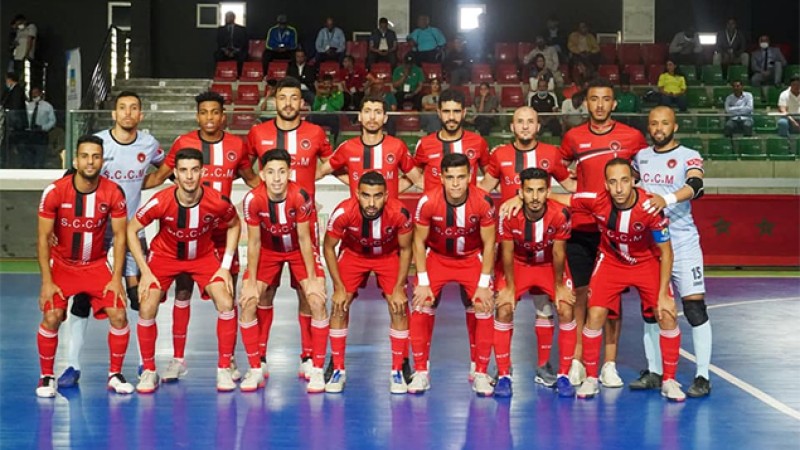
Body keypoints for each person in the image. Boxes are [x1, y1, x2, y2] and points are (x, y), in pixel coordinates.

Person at [503, 78, 648, 388]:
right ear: (586, 103)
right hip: (580, 228)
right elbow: (553, 174)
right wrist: (522, 196)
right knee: (579, 295)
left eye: (605, 99)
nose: (599, 105)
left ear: (614, 103)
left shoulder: (633, 137)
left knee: (611, 300)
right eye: (594, 99)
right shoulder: (572, 138)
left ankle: (609, 364)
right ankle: (578, 361)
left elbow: (645, 176)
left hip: (614, 230)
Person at [142, 91, 260, 383]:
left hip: (222, 234)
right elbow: (159, 177)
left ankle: (227, 360)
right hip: (188, 233)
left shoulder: (236, 145)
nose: (209, 117)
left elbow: (252, 179)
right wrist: (125, 181)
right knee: (182, 292)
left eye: (215, 112)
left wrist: (283, 195)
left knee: (227, 296)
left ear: (223, 116)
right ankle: (178, 359)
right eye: (204, 112)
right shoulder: (183, 143)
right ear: (197, 116)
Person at [550, 158, 684, 402]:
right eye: (613, 182)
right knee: (595, 315)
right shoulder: (596, 200)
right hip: (611, 262)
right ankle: (591, 378)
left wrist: (664, 293)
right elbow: (560, 198)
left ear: (633, 181)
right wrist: (520, 198)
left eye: (624, 181)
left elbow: (666, 252)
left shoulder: (650, 207)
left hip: (645, 262)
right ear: (606, 185)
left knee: (667, 313)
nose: (619, 188)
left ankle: (669, 381)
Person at [58, 91, 164, 388]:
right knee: (82, 297)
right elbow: (71, 179)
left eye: (134, 108)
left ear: (140, 114)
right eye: (122, 108)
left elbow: (165, 169)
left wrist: (145, 183)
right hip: (95, 231)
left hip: (131, 231)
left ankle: (145, 364)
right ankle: (72, 366)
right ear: (114, 114)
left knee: (140, 297)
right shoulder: (99, 144)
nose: (128, 113)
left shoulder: (149, 144)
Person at [128, 148, 241, 393]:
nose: (189, 176)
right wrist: (145, 270)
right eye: (183, 171)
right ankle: (149, 371)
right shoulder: (161, 200)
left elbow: (234, 224)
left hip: (203, 256)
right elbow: (131, 229)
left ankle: (224, 368)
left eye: (194, 170)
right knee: (147, 306)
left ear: (202, 172)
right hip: (164, 257)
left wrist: (225, 266)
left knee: (226, 302)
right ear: (176, 174)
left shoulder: (217, 201)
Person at [478, 107, 575, 388]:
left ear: (538, 125)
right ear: (512, 126)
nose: (524, 126)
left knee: (548, 307)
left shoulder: (551, 154)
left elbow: (571, 188)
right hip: (513, 243)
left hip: (546, 248)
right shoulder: (500, 155)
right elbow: (483, 190)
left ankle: (546, 367)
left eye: (530, 121)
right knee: (504, 305)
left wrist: (530, 199)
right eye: (519, 121)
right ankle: (502, 369)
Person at [246, 77, 334, 380]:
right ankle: (259, 358)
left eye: (293, 98)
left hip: (303, 228)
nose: (288, 103)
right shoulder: (258, 132)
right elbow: (245, 166)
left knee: (308, 292)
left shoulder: (316, 132)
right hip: (268, 229)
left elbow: (330, 162)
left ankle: (308, 356)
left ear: (302, 102)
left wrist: (309, 181)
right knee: (264, 293)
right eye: (282, 97)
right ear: (275, 101)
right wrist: (258, 191)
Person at [35, 135, 133, 398]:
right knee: (52, 316)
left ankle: (115, 374)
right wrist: (47, 281)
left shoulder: (113, 192)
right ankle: (46, 376)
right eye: (85, 156)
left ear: (102, 161)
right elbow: (43, 238)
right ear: (76, 160)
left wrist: (116, 278)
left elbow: (121, 237)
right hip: (62, 266)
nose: (90, 162)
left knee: (119, 314)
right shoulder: (55, 191)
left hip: (96, 265)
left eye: (96, 156)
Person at [632, 106, 712, 398]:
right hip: (651, 244)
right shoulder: (640, 157)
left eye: (665, 123)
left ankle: (702, 376)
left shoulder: (689, 155)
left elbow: (696, 186)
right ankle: (655, 371)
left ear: (674, 126)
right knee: (652, 308)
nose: (659, 128)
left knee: (694, 307)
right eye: (654, 123)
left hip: (683, 242)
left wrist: (665, 199)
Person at [239, 149, 328, 392]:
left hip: (299, 250)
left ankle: (314, 365)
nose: (277, 178)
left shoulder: (300, 196)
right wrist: (251, 280)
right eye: (271, 172)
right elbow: (254, 242)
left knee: (315, 299)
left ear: (289, 173)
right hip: (268, 251)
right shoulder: (252, 200)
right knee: (248, 301)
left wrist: (312, 279)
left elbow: (304, 238)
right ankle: (256, 366)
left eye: (281, 172)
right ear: (262, 174)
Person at [409, 153, 497, 396]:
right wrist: (423, 281)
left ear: (470, 177)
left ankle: (480, 372)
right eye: (450, 178)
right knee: (420, 303)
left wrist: (484, 283)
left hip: (471, 258)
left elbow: (490, 244)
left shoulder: (483, 202)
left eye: (461, 177)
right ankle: (421, 371)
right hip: (438, 257)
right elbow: (418, 241)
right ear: (441, 178)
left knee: (484, 305)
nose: (456, 183)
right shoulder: (428, 201)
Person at [322, 172, 414, 393]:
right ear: (357, 194)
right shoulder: (343, 212)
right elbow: (328, 247)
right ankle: (337, 367)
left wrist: (399, 288)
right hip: (354, 254)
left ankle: (398, 368)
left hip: (387, 256)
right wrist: (338, 288)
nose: (371, 203)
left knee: (399, 306)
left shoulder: (400, 213)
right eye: (366, 196)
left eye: (377, 196)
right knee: (339, 305)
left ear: (386, 195)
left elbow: (406, 249)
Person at [493, 168, 577, 397]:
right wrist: (510, 288)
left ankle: (562, 375)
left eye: (540, 191)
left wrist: (559, 287)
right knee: (504, 308)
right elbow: (507, 252)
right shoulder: (508, 215)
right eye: (529, 191)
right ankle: (503, 374)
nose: (535, 197)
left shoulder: (560, 214)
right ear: (520, 192)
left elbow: (558, 253)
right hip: (518, 264)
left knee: (566, 308)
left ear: (548, 191)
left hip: (548, 264)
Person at [316, 95, 419, 198]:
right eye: (367, 111)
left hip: (391, 207)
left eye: (378, 112)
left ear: (385, 118)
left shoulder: (397, 146)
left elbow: (418, 179)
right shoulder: (347, 147)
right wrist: (353, 182)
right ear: (360, 116)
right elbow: (321, 171)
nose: (372, 117)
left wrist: (392, 190)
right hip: (357, 208)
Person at [21, 86, 54, 168]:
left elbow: (52, 121)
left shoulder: (47, 106)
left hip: (41, 134)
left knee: (40, 157)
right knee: (29, 158)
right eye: (32, 93)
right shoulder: (29, 106)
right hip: (30, 134)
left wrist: (43, 127)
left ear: (40, 93)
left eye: (36, 93)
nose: (34, 95)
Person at [308, 74, 344, 142]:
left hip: (330, 115)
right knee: (309, 118)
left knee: (335, 119)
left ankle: (333, 140)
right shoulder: (320, 92)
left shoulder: (338, 93)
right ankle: (310, 139)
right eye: (325, 84)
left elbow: (338, 106)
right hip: (319, 114)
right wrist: (319, 97)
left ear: (332, 83)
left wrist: (329, 97)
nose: (327, 86)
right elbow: (315, 107)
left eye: (328, 83)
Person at [215, 11, 249, 76]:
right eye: (225, 17)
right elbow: (219, 42)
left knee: (243, 56)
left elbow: (244, 42)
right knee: (217, 55)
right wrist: (225, 51)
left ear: (233, 18)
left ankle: (239, 75)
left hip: (237, 50)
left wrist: (235, 51)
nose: (226, 19)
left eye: (228, 17)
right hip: (225, 51)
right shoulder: (221, 29)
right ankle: (220, 74)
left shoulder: (241, 29)